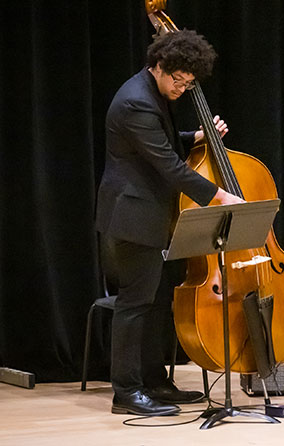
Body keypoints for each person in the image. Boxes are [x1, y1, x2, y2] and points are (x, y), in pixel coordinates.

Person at [95, 29, 243, 416]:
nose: (182, 88)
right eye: (177, 80)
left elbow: (158, 141)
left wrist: (194, 134)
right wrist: (220, 195)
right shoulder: (135, 102)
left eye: (189, 83)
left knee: (154, 302)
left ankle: (156, 382)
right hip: (131, 218)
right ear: (158, 66)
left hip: (148, 216)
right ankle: (125, 392)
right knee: (134, 303)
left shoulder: (150, 92)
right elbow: (169, 166)